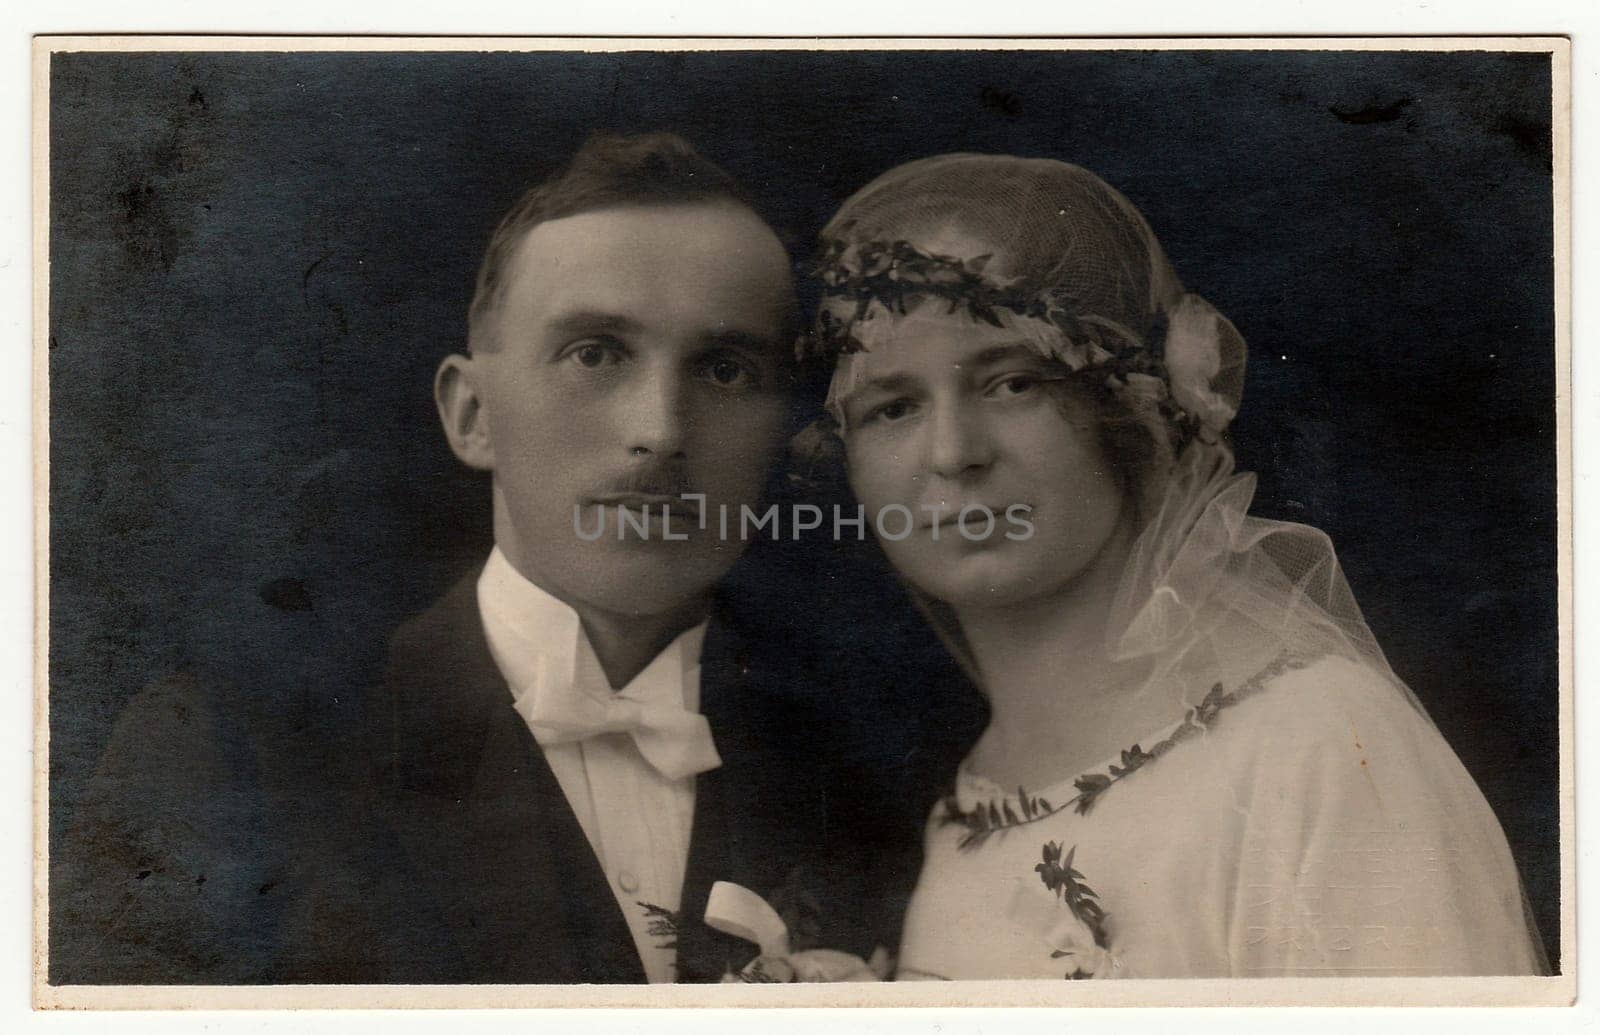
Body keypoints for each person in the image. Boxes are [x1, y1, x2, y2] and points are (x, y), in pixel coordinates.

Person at [799, 153, 1547, 979]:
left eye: (1013, 382)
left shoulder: (1320, 745)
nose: (953, 453)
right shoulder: (969, 801)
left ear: (1129, 409)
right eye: (893, 407)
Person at [271, 133, 936, 983]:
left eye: (726, 370)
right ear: (472, 413)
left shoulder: (870, 771)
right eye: (596, 353)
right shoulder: (253, 760)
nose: (660, 430)